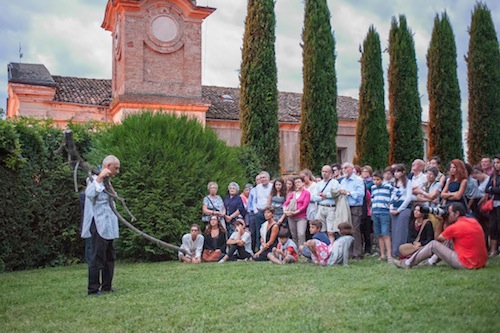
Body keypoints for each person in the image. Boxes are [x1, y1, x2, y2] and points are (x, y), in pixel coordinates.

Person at [393, 203, 488, 269]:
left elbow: (437, 239)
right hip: (481, 262)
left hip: (467, 263)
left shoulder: (456, 226)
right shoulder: (473, 221)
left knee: (433, 244)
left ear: (457, 213)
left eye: (449, 213)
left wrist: (442, 221)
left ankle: (408, 263)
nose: (448, 215)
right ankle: (431, 262)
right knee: (450, 240)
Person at [81, 155, 120, 295]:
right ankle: (93, 289)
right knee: (97, 257)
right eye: (116, 168)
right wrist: (99, 178)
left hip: (109, 224)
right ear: (108, 166)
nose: (118, 171)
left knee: (110, 256)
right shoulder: (92, 179)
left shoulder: (108, 182)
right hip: (98, 223)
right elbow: (89, 194)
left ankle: (107, 286)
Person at [338, 162, 365, 259]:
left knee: (355, 229)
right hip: (345, 207)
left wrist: (348, 193)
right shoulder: (343, 181)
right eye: (343, 168)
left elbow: (361, 194)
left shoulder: (358, 180)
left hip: (356, 207)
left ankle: (357, 253)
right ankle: (348, 252)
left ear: (352, 168)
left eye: (346, 167)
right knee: (346, 229)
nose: (344, 170)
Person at [390, 164, 413, 258]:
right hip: (394, 208)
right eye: (395, 172)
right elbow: (392, 196)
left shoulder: (408, 182)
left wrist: (399, 210)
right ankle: (394, 251)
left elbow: (408, 198)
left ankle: (401, 251)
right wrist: (391, 207)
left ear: (403, 172)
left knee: (401, 230)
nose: (396, 174)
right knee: (394, 230)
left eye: (398, 171)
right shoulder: (394, 183)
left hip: (403, 208)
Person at [311, 165, 340, 241]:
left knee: (330, 231)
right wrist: (322, 197)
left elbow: (335, 194)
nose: (324, 173)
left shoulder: (335, 183)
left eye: (326, 172)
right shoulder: (318, 184)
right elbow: (314, 197)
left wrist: (326, 195)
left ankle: (331, 249)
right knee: (321, 230)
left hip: (330, 208)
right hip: (321, 207)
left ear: (330, 173)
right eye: (323, 171)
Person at [371, 171, 393, 263]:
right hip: (375, 211)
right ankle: (382, 254)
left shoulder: (388, 186)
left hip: (384, 211)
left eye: (378, 180)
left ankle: (389, 255)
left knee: (385, 234)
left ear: (382, 179)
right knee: (379, 234)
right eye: (374, 180)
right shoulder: (373, 188)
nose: (376, 182)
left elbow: (396, 194)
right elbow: (372, 197)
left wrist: (390, 203)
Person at [283, 176, 311, 248]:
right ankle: (295, 250)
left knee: (301, 234)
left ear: (303, 183)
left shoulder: (306, 193)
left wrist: (296, 212)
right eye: (296, 183)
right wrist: (285, 211)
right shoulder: (293, 193)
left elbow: (305, 206)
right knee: (294, 234)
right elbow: (286, 203)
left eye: (299, 182)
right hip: (291, 216)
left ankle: (302, 250)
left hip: (301, 217)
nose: (297, 184)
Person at [251, 171, 273, 251]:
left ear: (268, 178)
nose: (262, 179)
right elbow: (254, 200)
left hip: (268, 212)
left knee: (269, 231)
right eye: (261, 178)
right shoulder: (257, 187)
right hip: (259, 212)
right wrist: (255, 211)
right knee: (259, 231)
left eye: (264, 177)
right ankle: (260, 250)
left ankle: (269, 249)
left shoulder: (272, 187)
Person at [485, 155, 500, 257]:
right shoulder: (493, 176)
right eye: (494, 163)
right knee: (493, 226)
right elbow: (487, 188)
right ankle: (493, 250)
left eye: (498, 162)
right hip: (493, 204)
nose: (496, 165)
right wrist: (493, 189)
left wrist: (492, 189)